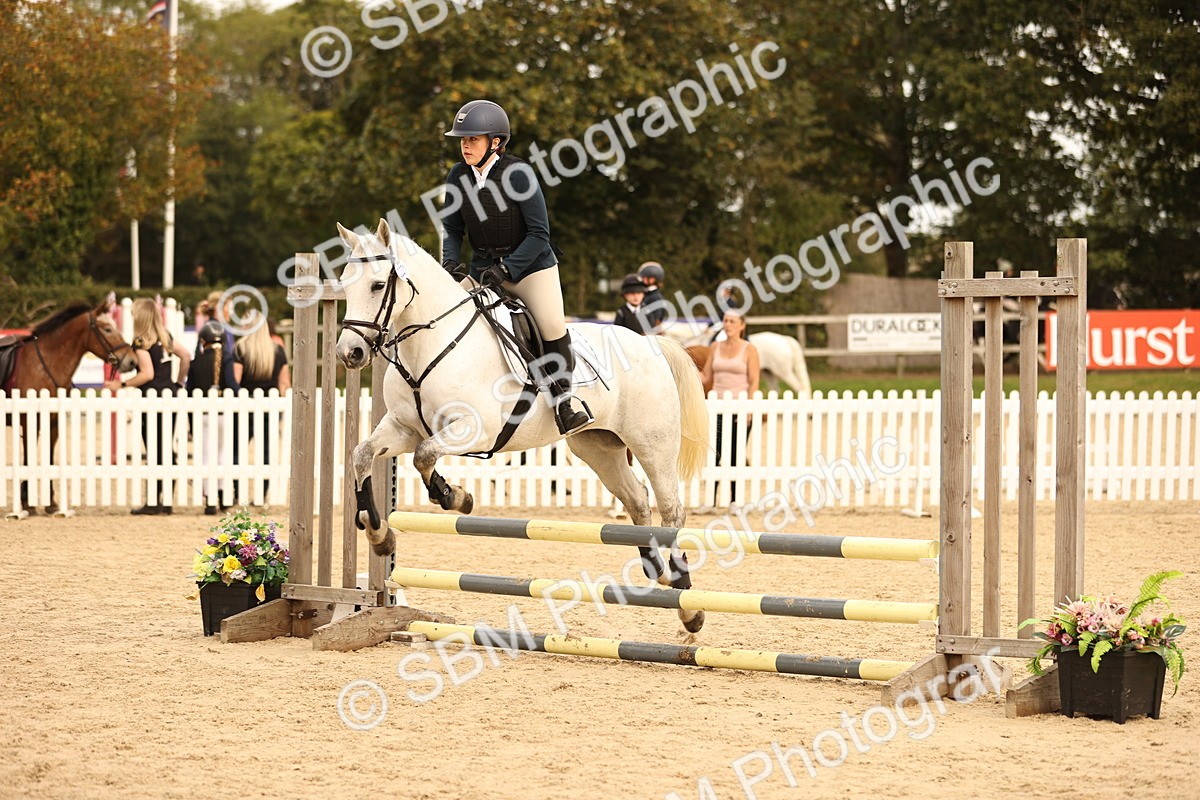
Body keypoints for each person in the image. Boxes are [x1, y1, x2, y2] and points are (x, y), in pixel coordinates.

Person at [440, 99, 591, 435]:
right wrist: (449, 262)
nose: (465, 145)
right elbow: (452, 229)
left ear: (495, 142)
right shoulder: (457, 175)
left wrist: (508, 270)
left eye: (473, 139)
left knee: (551, 325)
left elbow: (540, 234)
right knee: (441, 312)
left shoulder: (519, 173)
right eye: (462, 140)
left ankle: (564, 402)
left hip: (530, 267)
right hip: (483, 269)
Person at [103, 297, 191, 515]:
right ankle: (166, 501)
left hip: (151, 401)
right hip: (168, 397)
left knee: (153, 450)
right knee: (165, 448)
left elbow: (147, 373)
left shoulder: (142, 342)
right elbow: (186, 357)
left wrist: (121, 384)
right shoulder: (166, 337)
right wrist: (178, 382)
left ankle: (153, 501)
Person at [697, 310, 760, 513]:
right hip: (717, 406)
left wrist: (749, 408)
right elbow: (706, 376)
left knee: (735, 454)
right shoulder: (715, 347)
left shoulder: (749, 350)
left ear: (742, 325)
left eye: (732, 321)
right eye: (725, 321)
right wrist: (687, 375)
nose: (728, 324)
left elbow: (754, 381)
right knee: (713, 454)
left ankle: (735, 501)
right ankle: (710, 501)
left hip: (738, 407)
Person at [234, 314, 290, 506]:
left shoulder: (240, 349)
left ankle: (237, 492)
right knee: (266, 453)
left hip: (245, 408)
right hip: (270, 408)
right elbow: (284, 384)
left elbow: (236, 381)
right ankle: (260, 495)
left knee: (238, 451)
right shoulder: (278, 350)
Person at [188, 320, 240, 514]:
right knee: (223, 454)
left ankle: (210, 499)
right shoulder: (226, 358)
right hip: (222, 414)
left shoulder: (196, 361)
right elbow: (233, 386)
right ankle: (224, 496)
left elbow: (190, 390)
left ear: (203, 341)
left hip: (202, 415)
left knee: (205, 456)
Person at [638, 261, 668, 333]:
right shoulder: (649, 295)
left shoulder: (655, 297)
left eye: (644, 278)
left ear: (652, 279)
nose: (641, 280)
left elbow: (654, 321)